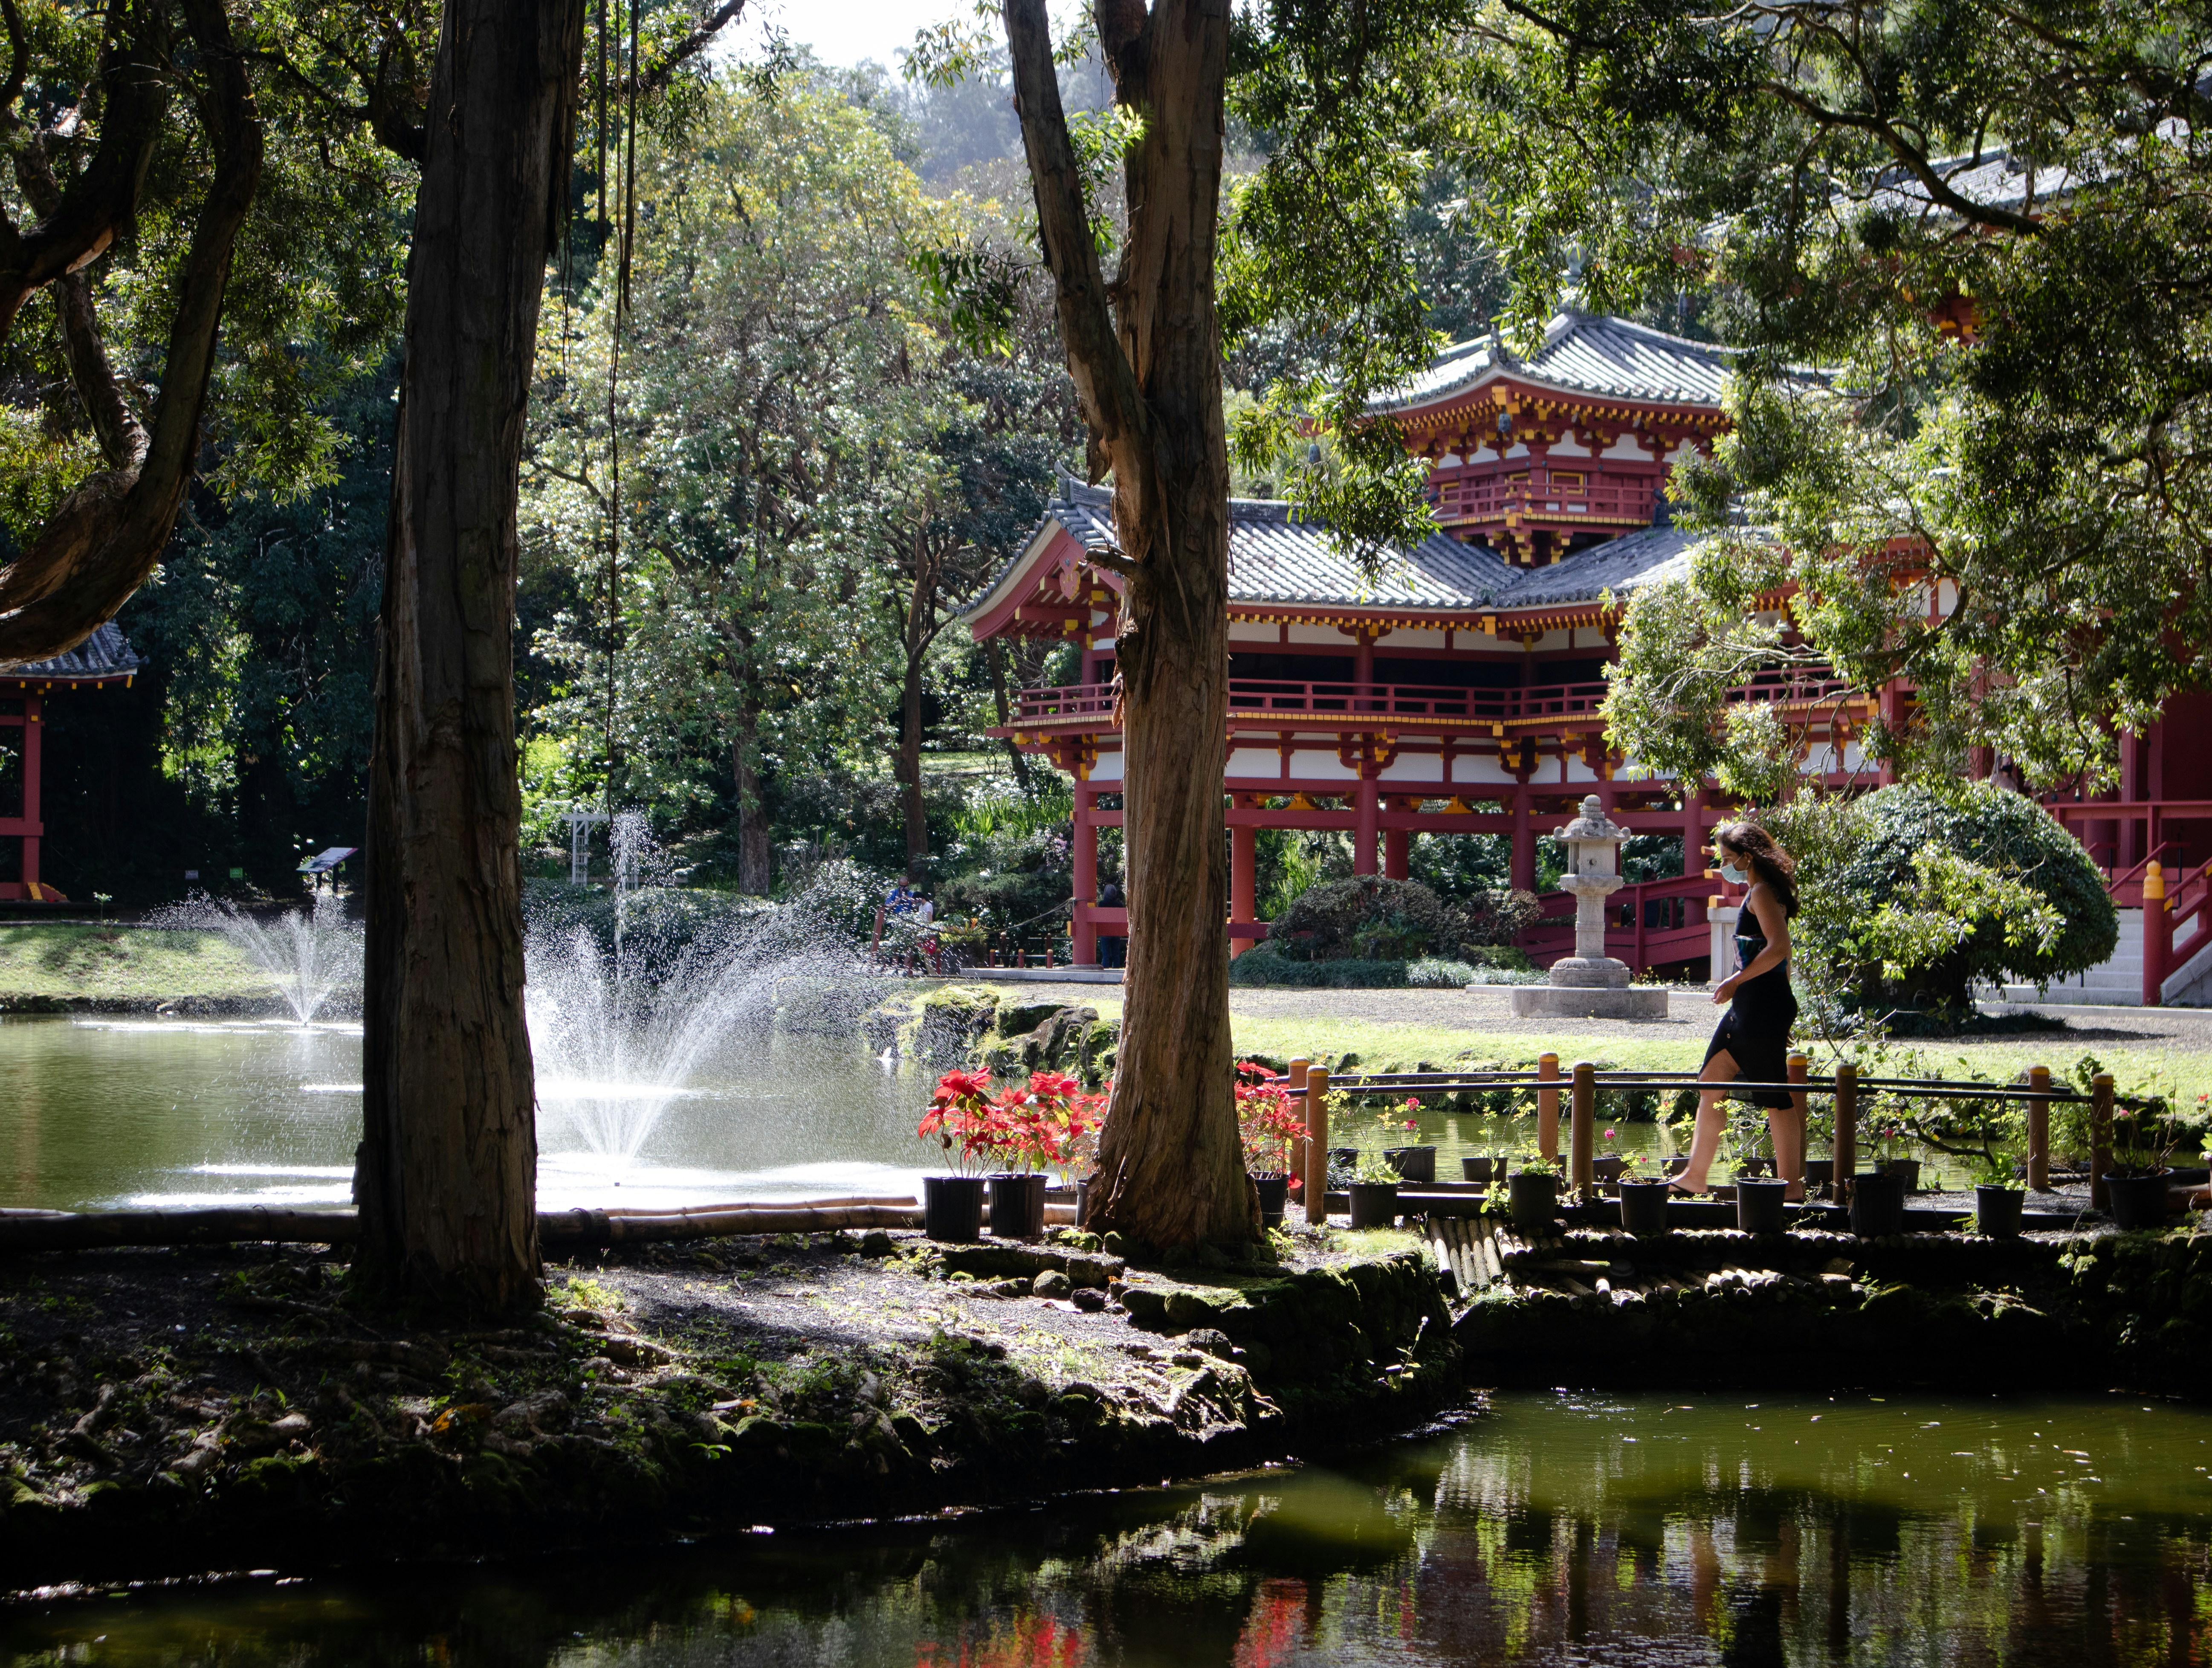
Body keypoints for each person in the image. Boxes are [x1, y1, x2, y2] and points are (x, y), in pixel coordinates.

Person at [1673, 822, 1808, 1199]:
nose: (1725, 865)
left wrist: (1736, 981)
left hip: (1760, 1007)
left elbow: (1780, 948)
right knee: (1712, 1080)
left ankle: (1792, 1189)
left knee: (1776, 1096)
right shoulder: (1761, 892)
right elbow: (1781, 958)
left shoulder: (1762, 893)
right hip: (1757, 1006)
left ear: (1748, 858)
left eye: (1729, 859)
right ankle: (1696, 1176)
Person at [1097, 877, 1126, 969]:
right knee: (1116, 954)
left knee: (1106, 955)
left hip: (1105, 932)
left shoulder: (1102, 904)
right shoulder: (1119, 905)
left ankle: (1105, 969)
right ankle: (1116, 968)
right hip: (1117, 932)